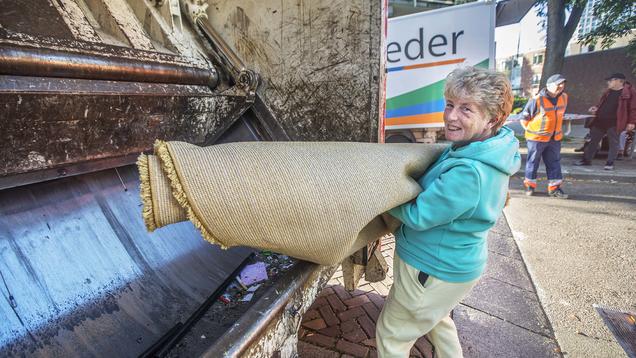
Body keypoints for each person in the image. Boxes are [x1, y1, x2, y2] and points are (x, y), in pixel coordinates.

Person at [376, 66, 521, 358]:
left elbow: (418, 215)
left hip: (431, 268)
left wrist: (378, 194)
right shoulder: (485, 148)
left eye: (467, 109)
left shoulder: (469, 172)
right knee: (436, 320)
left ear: (492, 119)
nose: (451, 116)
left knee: (392, 334)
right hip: (450, 268)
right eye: (450, 104)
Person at [519, 74, 568, 198]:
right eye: (558, 84)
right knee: (532, 162)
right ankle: (530, 186)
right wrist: (532, 131)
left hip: (554, 139)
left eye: (563, 84)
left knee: (554, 163)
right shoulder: (537, 100)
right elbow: (524, 119)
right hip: (536, 139)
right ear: (549, 86)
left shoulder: (564, 97)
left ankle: (555, 188)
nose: (561, 86)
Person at [574, 73, 636, 170]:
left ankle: (609, 163)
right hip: (600, 120)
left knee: (613, 143)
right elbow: (601, 104)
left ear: (618, 81)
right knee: (593, 141)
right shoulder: (608, 91)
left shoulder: (629, 92)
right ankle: (586, 160)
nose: (608, 82)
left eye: (610, 80)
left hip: (614, 122)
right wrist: (596, 108)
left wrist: (631, 122)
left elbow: (633, 108)